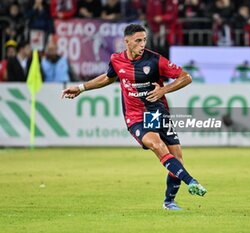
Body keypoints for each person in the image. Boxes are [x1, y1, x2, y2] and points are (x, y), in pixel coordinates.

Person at [61, 24, 207, 210]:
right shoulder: (116, 60)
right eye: (138, 41)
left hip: (157, 112)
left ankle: (169, 202)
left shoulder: (155, 60)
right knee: (157, 145)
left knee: (177, 159)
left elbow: (186, 77)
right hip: (136, 116)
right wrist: (81, 88)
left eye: (144, 40)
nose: (142, 44)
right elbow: (108, 78)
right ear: (127, 41)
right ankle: (192, 182)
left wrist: (163, 89)